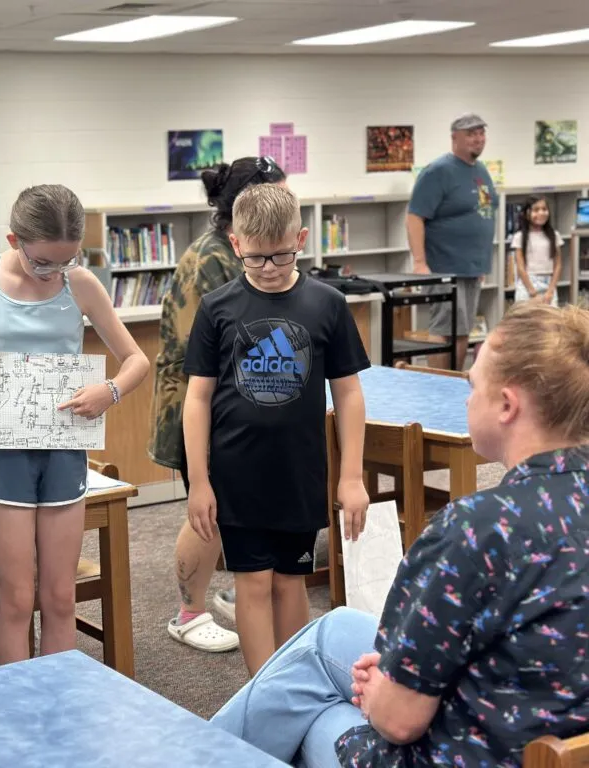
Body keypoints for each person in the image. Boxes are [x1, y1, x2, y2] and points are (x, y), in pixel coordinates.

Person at [211, 301, 589, 768]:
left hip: (477, 754)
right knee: (334, 629)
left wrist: (382, 694)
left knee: (315, 713)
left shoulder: (474, 530)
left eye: (474, 388)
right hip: (552, 725)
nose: (468, 400)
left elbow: (399, 722)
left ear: (507, 406)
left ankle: (192, 759)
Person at [0, 184, 149, 665]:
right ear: (13, 241)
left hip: (63, 446)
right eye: (43, 262)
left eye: (65, 261)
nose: (54, 272)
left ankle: (58, 702)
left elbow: (136, 360)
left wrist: (108, 392)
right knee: (16, 599)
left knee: (60, 597)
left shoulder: (82, 285)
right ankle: (19, 708)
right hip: (4, 449)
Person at [183, 183, 370, 676]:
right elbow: (197, 398)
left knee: (292, 583)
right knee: (252, 584)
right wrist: (199, 480)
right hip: (236, 474)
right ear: (236, 243)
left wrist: (351, 477)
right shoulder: (217, 308)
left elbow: (348, 394)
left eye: (281, 256)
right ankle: (261, 693)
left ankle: (294, 685)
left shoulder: (327, 304)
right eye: (257, 257)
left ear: (302, 240)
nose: (269, 268)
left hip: (299, 473)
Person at [149, 156, 287, 653]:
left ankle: (239, 585)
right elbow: (201, 355)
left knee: (240, 507)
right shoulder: (208, 259)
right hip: (198, 404)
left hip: (244, 401)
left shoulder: (251, 251)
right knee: (207, 510)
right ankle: (187, 613)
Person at [407, 113, 498, 370]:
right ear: (454, 138)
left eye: (481, 133)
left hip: (472, 268)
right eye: (471, 134)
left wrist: (480, 264)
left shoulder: (480, 171)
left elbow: (482, 213)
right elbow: (414, 217)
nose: (478, 139)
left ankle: (453, 382)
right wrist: (420, 262)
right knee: (445, 328)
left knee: (463, 329)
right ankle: (439, 384)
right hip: (444, 266)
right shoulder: (438, 172)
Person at [513, 196, 564, 307]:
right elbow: (520, 267)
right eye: (536, 210)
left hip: (549, 284)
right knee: (526, 321)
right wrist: (532, 292)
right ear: (527, 214)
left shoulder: (554, 235)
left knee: (550, 321)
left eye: (544, 209)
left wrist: (551, 290)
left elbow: (558, 265)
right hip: (528, 285)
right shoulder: (519, 237)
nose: (541, 213)